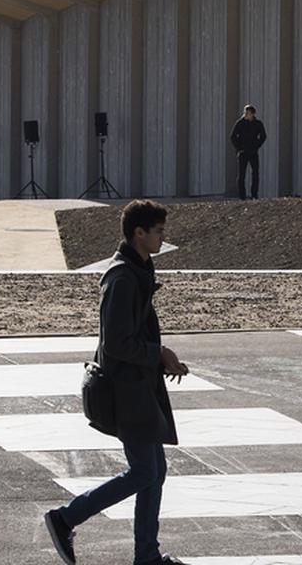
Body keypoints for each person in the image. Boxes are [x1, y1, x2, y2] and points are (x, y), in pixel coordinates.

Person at [44, 200, 189, 565]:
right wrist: (158, 353)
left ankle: (147, 556)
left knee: (154, 473)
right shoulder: (122, 278)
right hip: (128, 392)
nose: (162, 236)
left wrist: (159, 355)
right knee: (144, 471)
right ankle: (66, 518)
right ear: (138, 233)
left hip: (140, 388)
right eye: (157, 230)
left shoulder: (138, 270)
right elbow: (116, 343)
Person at [230, 104, 267, 200]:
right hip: (243, 152)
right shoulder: (240, 123)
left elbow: (263, 136)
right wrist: (239, 148)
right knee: (241, 175)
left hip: (253, 152)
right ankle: (242, 196)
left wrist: (256, 146)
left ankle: (254, 194)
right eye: (245, 112)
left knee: (255, 173)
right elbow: (233, 136)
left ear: (252, 114)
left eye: (248, 113)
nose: (245, 114)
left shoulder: (258, 124)